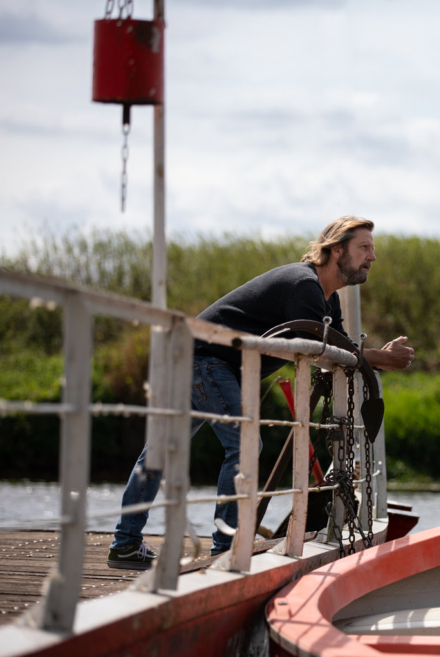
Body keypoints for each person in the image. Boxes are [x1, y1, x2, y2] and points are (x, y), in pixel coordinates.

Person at [108, 216, 414, 569]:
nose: (372, 257)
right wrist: (379, 357)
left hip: (193, 360)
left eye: (372, 250)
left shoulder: (327, 299)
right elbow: (319, 347)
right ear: (335, 249)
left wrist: (376, 358)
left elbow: (339, 351)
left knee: (160, 451)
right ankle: (224, 547)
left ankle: (126, 544)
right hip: (205, 361)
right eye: (364, 247)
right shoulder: (305, 285)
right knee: (244, 445)